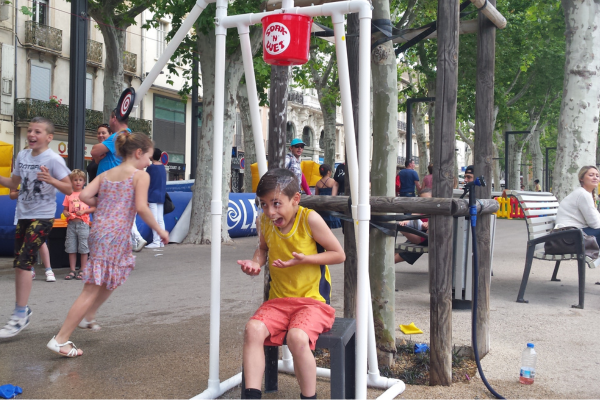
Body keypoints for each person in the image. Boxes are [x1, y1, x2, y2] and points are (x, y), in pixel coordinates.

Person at [46, 133, 169, 357]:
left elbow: (83, 194)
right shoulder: (140, 176)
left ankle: (89, 315)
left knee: (113, 276)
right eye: (149, 157)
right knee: (92, 288)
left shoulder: (107, 174)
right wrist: (160, 230)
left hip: (101, 233)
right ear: (139, 153)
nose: (150, 162)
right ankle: (61, 338)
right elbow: (142, 207)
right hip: (115, 235)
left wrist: (104, 202)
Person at [237, 168, 345, 399]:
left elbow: (338, 254)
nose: (270, 211)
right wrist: (256, 263)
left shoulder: (309, 218)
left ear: (295, 199)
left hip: (312, 303)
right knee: (252, 329)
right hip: (278, 302)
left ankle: (309, 397)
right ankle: (252, 395)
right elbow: (263, 249)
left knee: (297, 337)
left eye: (276, 203)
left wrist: (307, 259)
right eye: (264, 204)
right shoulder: (264, 222)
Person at [0, 117, 72, 339]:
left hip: (43, 217)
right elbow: (14, 184)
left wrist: (51, 180)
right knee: (20, 265)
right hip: (23, 216)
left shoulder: (53, 159)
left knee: (23, 263)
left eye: (37, 131)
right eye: (30, 130)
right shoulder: (22, 156)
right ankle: (23, 311)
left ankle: (19, 315)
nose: (32, 134)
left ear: (49, 137)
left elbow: (69, 188)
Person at [91, 109, 147, 251]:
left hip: (112, 186)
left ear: (114, 118)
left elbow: (94, 151)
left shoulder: (119, 136)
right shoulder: (126, 135)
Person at [10, 187, 54, 282]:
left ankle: (48, 270)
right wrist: (23, 192)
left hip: (38, 213)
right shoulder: (18, 177)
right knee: (25, 242)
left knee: (40, 241)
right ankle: (30, 269)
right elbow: (12, 195)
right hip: (22, 214)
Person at [62, 169, 95, 280]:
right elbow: (65, 209)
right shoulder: (69, 195)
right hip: (71, 224)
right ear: (71, 182)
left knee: (84, 247)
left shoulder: (86, 194)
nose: (77, 182)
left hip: (83, 224)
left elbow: (94, 207)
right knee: (71, 247)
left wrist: (85, 211)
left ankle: (83, 269)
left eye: (80, 180)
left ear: (84, 182)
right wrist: (66, 213)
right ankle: (72, 270)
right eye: (75, 180)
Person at [554, 166, 600, 246]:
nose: (595, 178)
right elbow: (595, 224)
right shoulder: (583, 194)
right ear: (581, 178)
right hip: (568, 238)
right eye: (591, 175)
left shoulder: (584, 193)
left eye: (597, 176)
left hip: (572, 233)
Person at [395, 189, 431, 265]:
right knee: (400, 250)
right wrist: (406, 222)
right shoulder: (420, 211)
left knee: (406, 252)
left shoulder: (435, 212)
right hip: (419, 236)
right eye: (422, 200)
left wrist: (429, 224)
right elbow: (412, 218)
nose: (425, 203)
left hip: (424, 239)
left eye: (428, 200)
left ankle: (384, 263)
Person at [145, 148, 167, 248]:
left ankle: (156, 241)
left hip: (152, 195)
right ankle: (161, 242)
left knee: (154, 219)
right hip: (161, 196)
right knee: (160, 219)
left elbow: (147, 182)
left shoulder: (150, 168)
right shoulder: (163, 167)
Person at [314, 163, 341, 229]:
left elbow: (316, 196)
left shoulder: (318, 183)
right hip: (330, 206)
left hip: (321, 207)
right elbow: (334, 194)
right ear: (329, 172)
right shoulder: (333, 181)